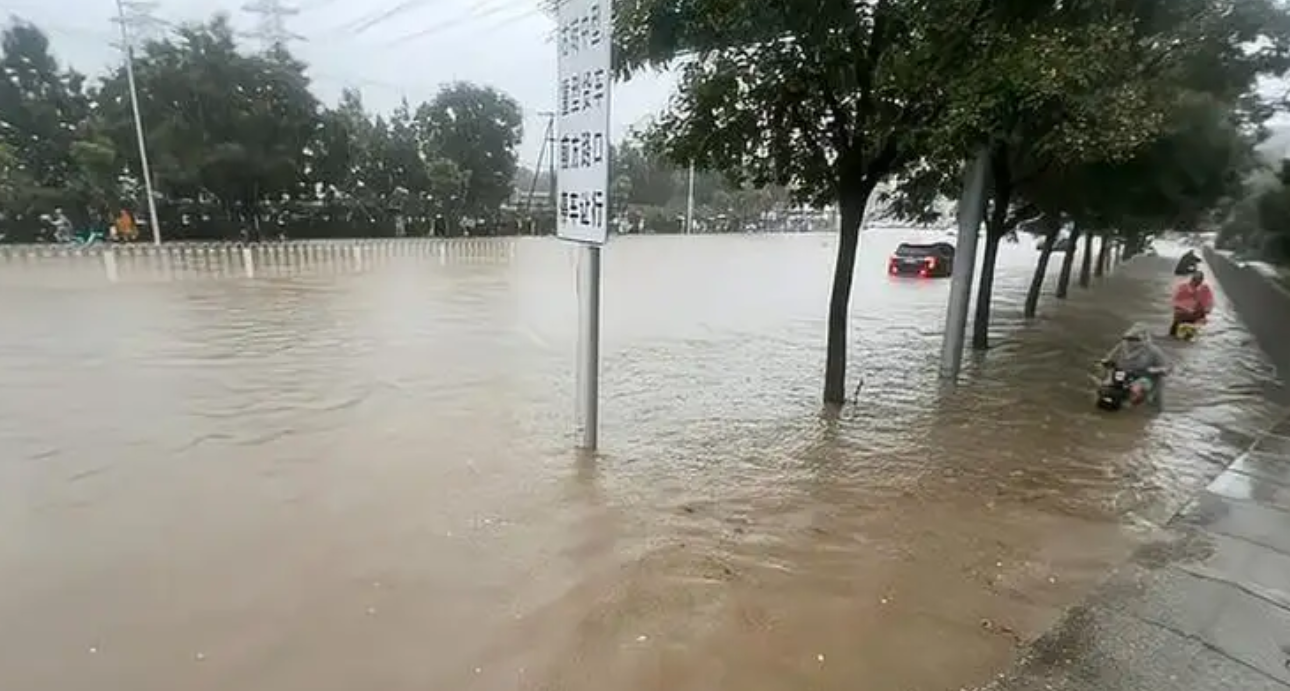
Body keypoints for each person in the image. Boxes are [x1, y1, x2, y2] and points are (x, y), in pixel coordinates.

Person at [1103, 324, 1170, 406]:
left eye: (1134, 339)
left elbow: (1167, 368)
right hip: (1123, 373)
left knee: (1136, 389)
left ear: (1143, 339)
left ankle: (1136, 405)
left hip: (1145, 377)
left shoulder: (1153, 350)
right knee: (1106, 386)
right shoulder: (1122, 346)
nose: (1130, 342)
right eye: (1128, 339)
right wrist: (1107, 363)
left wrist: (1156, 370)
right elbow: (1109, 358)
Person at [1171, 270, 1214, 338]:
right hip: (1183, 314)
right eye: (1195, 279)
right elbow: (1176, 301)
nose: (1197, 282)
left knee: (1194, 329)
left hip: (1196, 315)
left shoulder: (1204, 288)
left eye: (1199, 280)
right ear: (1192, 279)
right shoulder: (1183, 286)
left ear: (1201, 280)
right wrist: (1186, 309)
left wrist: (1206, 309)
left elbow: (1209, 302)